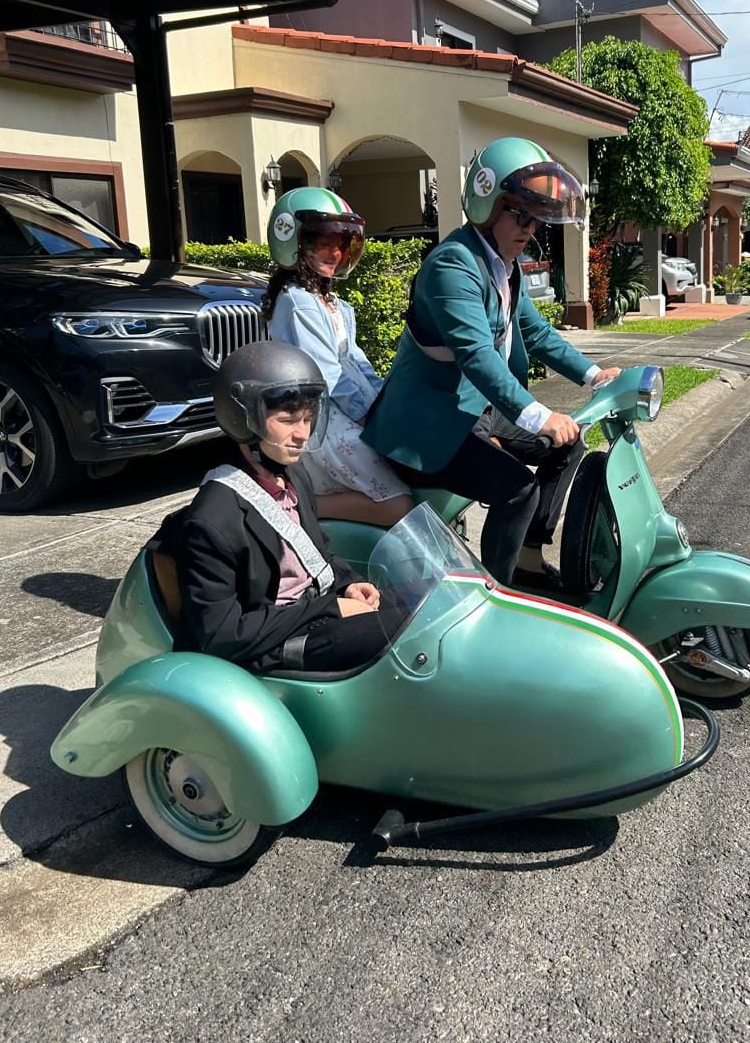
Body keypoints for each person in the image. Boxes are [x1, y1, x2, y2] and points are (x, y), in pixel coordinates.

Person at [362, 137, 621, 589]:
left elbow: (536, 334)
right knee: (517, 488)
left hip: (472, 412)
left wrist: (594, 374)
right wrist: (539, 416)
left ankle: (526, 557)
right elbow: (477, 356)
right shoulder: (452, 266)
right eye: (520, 214)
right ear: (488, 203)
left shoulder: (505, 265)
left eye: (537, 218)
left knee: (568, 445)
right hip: (425, 425)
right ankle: (498, 594)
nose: (530, 229)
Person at [153, 341, 404, 675]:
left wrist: (348, 584)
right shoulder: (213, 518)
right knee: (399, 630)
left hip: (313, 614)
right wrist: (331, 609)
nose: (302, 434)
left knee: (423, 602)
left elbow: (319, 553)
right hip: (275, 644)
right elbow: (222, 634)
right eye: (288, 420)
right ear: (243, 419)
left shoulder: (293, 476)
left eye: (308, 419)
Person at [262, 186, 413, 528]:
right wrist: (372, 416)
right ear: (292, 240)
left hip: (344, 413)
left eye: (342, 243)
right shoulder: (298, 301)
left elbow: (356, 362)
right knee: (400, 504)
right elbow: (327, 376)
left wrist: (385, 402)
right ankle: (297, 503)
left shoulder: (332, 303)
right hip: (324, 421)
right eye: (322, 241)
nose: (334, 252)